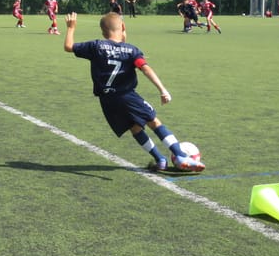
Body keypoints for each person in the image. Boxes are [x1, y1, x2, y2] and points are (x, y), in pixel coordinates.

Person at [63, 12, 205, 172]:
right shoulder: (131, 50)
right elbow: (145, 68)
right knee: (154, 122)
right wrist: (162, 89)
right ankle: (180, 155)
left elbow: (68, 46)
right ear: (123, 27)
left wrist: (71, 27)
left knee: (135, 128)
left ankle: (160, 160)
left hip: (107, 101)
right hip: (127, 96)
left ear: (103, 32)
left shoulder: (96, 46)